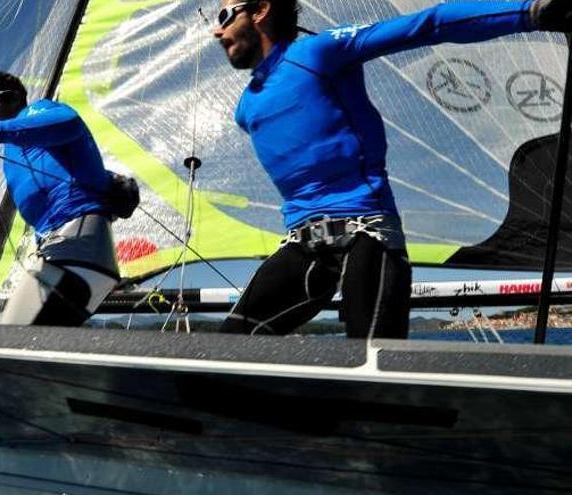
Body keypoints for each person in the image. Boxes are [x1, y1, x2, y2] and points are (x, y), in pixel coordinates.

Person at [213, 0, 571, 338]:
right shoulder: (247, 107)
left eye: (224, 15)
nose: (217, 31)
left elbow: (428, 24)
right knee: (226, 347)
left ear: (261, 10)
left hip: (367, 236)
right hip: (302, 246)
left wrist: (534, 11)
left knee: (372, 360)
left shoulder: (318, 53)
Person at [0, 72, 134, 326]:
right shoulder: (13, 150)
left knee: (1, 340)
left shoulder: (39, 112)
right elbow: (69, 172)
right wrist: (109, 182)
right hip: (68, 256)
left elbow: (68, 123)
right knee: (5, 332)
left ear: (12, 98)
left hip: (77, 250)